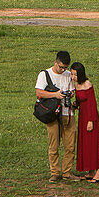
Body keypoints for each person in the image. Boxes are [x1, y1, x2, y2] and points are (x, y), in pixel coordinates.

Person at [35, 51, 77, 183]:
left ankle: (67, 172)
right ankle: (55, 172)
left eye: (65, 67)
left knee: (70, 145)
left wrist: (70, 95)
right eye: (61, 67)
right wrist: (56, 95)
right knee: (54, 145)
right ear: (55, 62)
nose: (63, 70)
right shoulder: (44, 74)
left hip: (68, 114)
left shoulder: (69, 75)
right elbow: (39, 92)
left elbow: (73, 91)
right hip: (52, 115)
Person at [70, 62, 99, 183]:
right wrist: (75, 104)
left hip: (90, 117)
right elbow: (80, 101)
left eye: (75, 74)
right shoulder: (76, 85)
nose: (73, 77)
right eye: (72, 74)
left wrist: (91, 121)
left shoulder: (87, 84)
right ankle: (90, 171)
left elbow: (92, 104)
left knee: (93, 143)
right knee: (85, 143)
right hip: (82, 116)